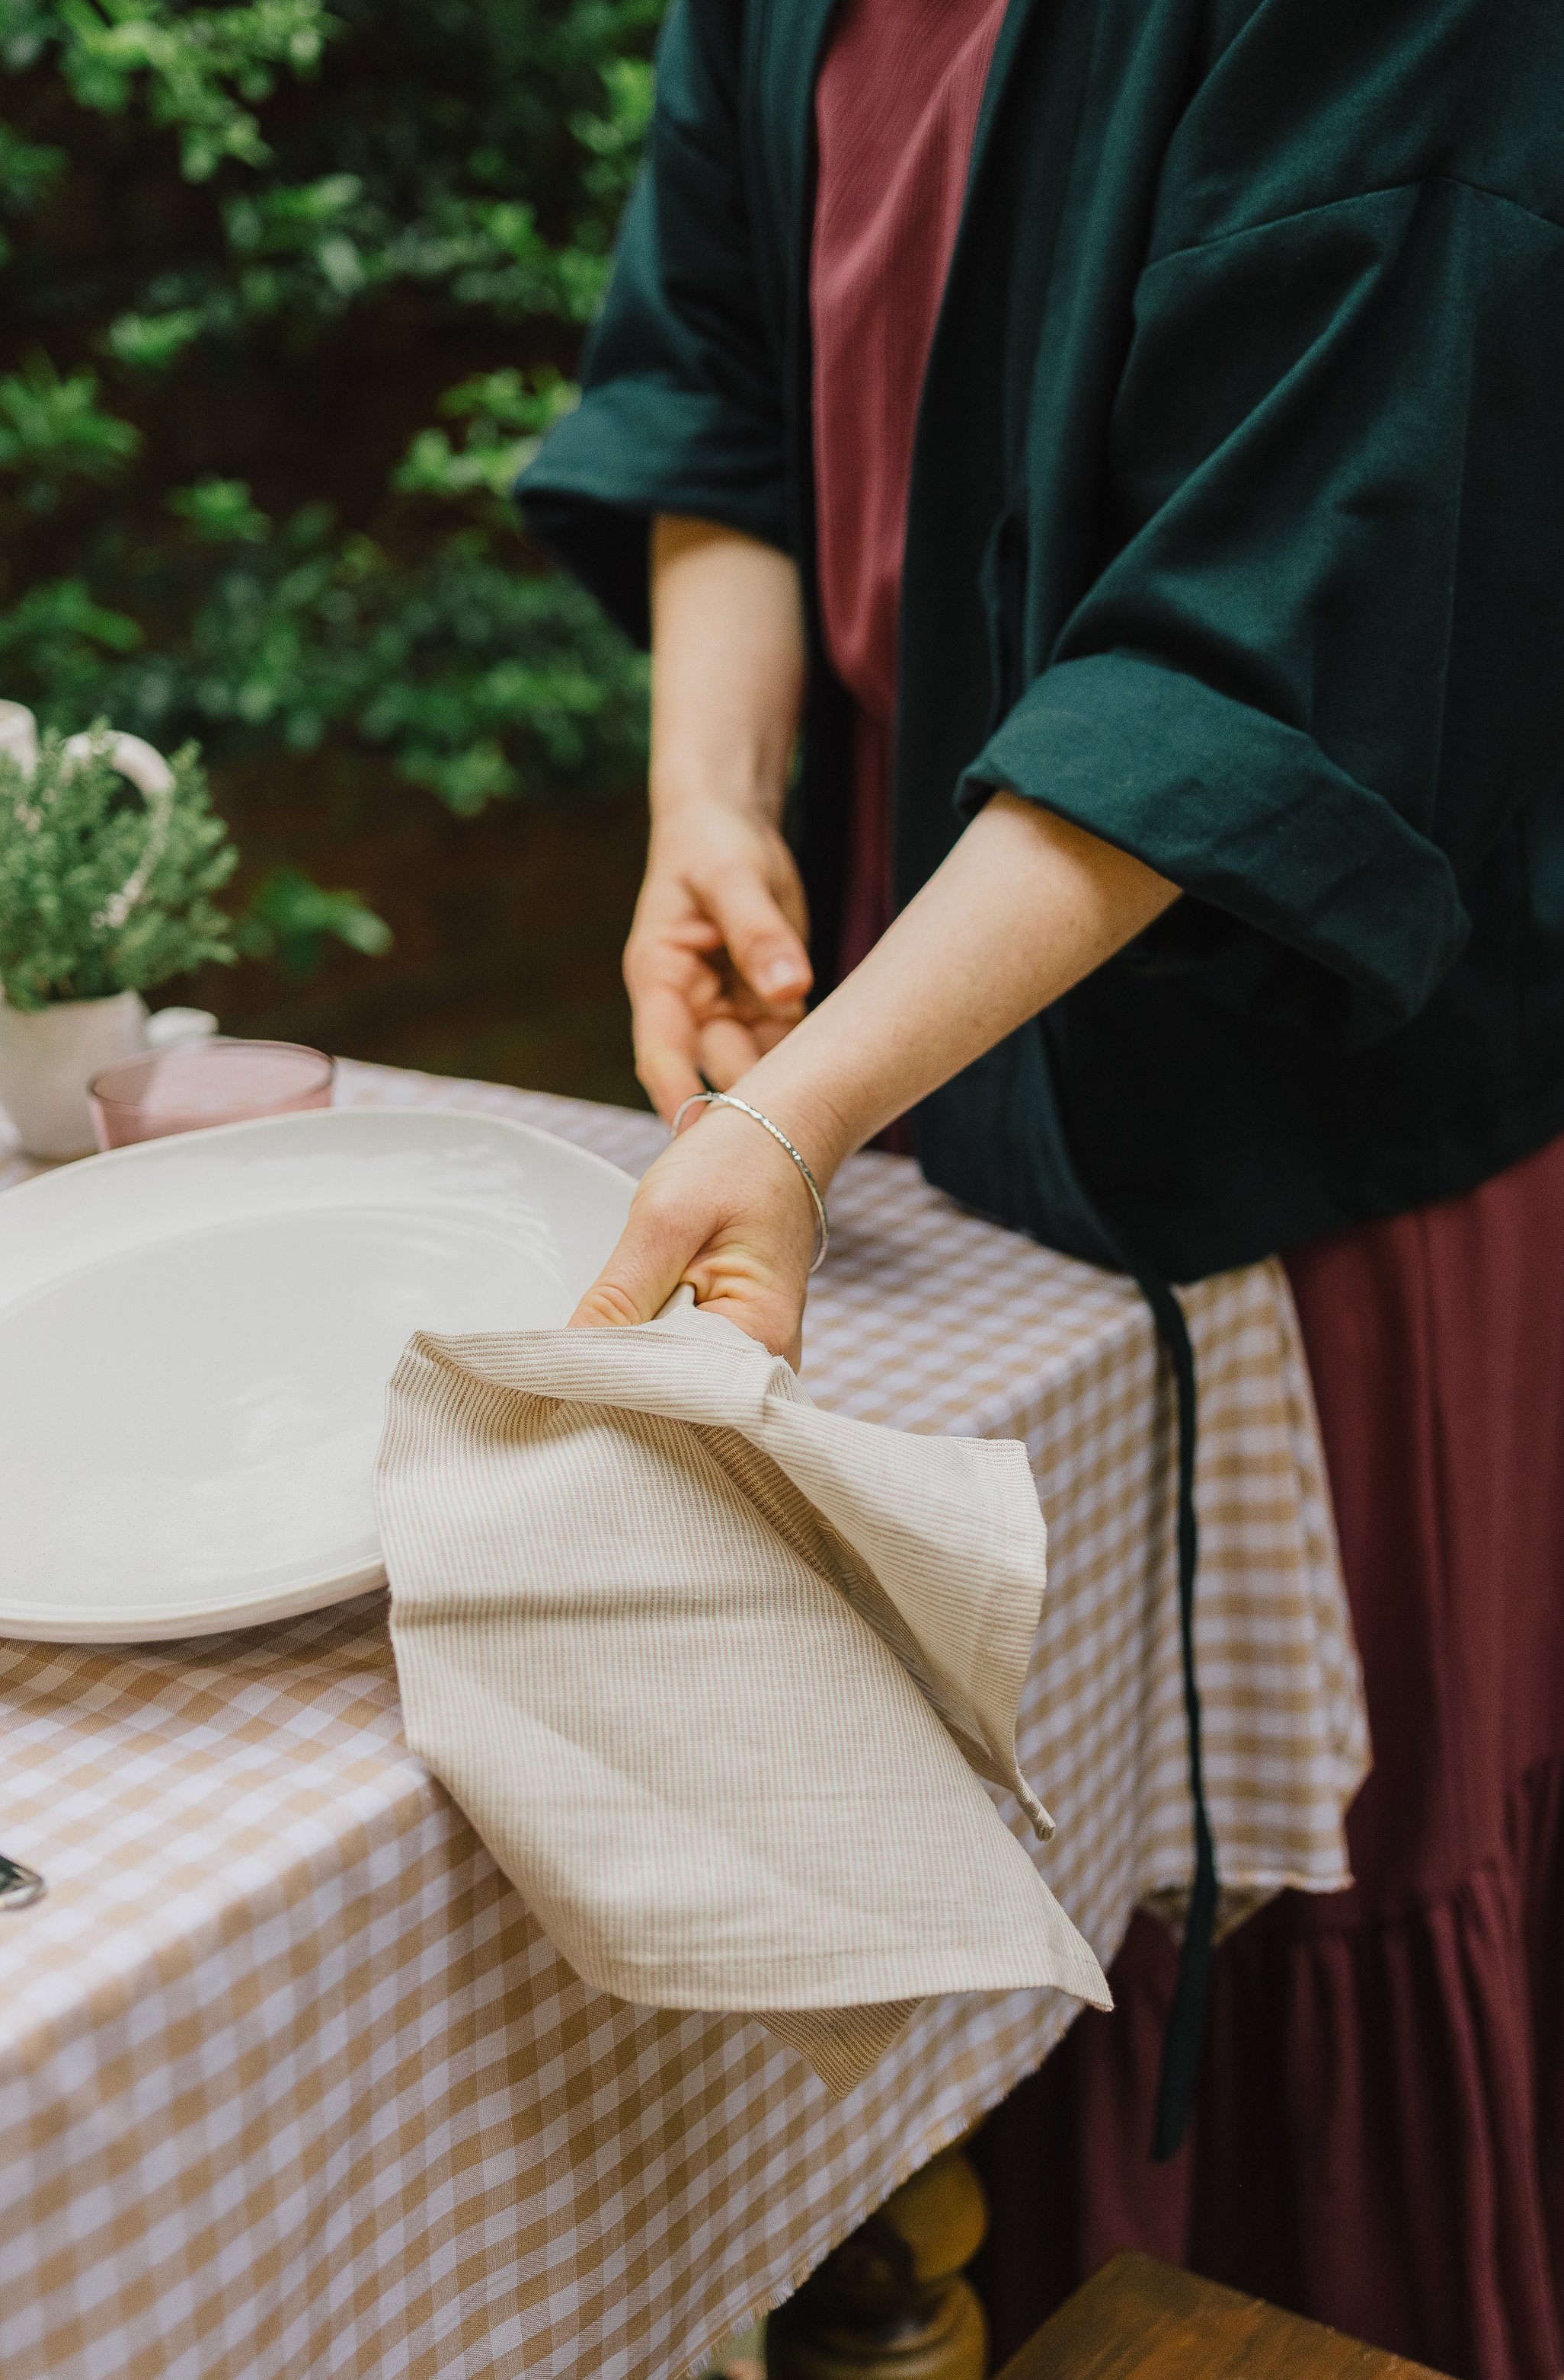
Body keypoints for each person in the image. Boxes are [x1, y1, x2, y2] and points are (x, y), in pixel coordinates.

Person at [514, 0, 1564, 2372]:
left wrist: (797, 1111)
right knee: (994, 1874)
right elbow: (717, 400)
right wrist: (715, 804)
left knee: (1305, 1890)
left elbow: (1295, 606)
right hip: (912, 1085)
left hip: (1296, 1119)